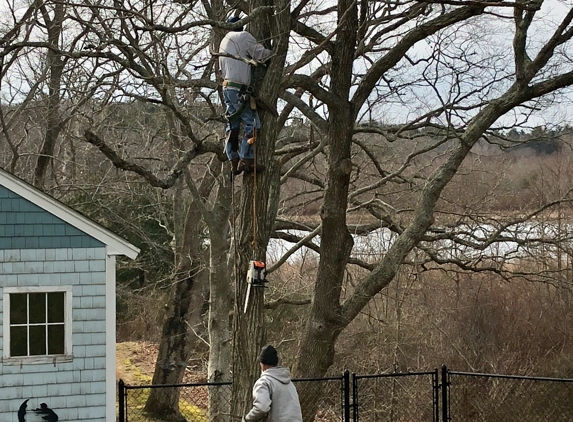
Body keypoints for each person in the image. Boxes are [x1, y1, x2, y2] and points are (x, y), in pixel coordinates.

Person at [219, 16, 272, 177]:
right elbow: (261, 54)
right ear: (241, 26)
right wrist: (275, 53)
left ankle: (233, 160)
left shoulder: (224, 40)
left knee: (233, 123)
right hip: (238, 89)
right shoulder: (244, 37)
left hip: (227, 88)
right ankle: (246, 159)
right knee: (253, 123)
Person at [243, 345, 303, 422]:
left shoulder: (264, 382)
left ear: (262, 365)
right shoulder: (289, 383)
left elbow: (261, 407)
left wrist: (247, 419)